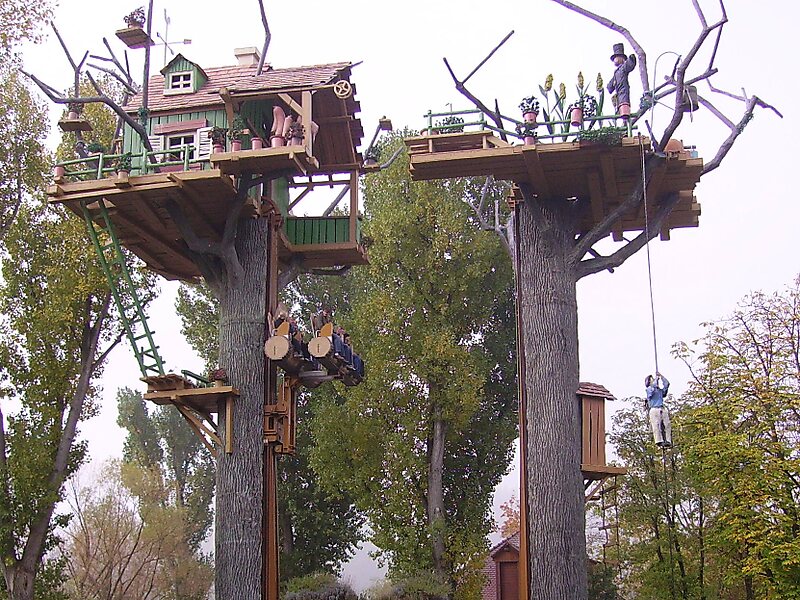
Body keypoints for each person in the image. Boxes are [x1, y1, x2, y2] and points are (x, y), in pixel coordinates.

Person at [607, 43, 637, 118]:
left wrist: (631, 59)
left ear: (621, 58)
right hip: (618, 90)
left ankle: (625, 113)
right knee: (619, 101)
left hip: (623, 89)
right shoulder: (616, 72)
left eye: (616, 57)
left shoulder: (623, 68)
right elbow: (611, 83)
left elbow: (629, 65)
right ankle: (621, 113)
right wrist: (609, 86)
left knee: (624, 101)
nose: (615, 60)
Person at [645, 372, 671, 447]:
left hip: (661, 408)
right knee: (656, 425)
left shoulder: (659, 390)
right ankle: (659, 441)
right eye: (652, 379)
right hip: (654, 409)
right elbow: (651, 391)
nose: (654, 380)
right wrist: (656, 380)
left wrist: (661, 376)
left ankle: (668, 440)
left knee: (667, 424)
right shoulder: (649, 389)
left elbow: (667, 384)